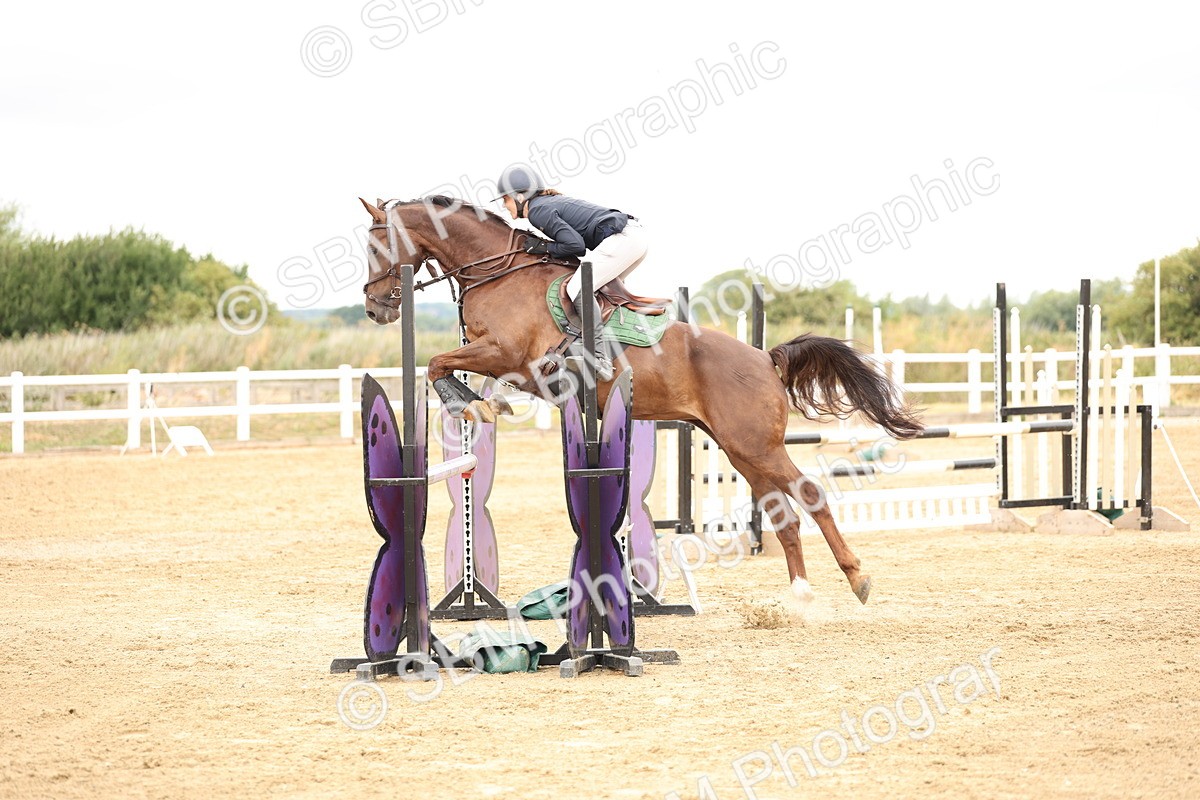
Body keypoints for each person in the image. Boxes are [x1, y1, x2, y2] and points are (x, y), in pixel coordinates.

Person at [494, 165, 649, 379]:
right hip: (632, 239)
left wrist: (543, 247)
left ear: (520, 196)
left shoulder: (537, 211)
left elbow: (576, 246)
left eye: (505, 199)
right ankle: (611, 347)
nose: (504, 205)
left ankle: (600, 359)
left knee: (577, 288)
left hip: (623, 240)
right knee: (599, 294)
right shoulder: (544, 204)